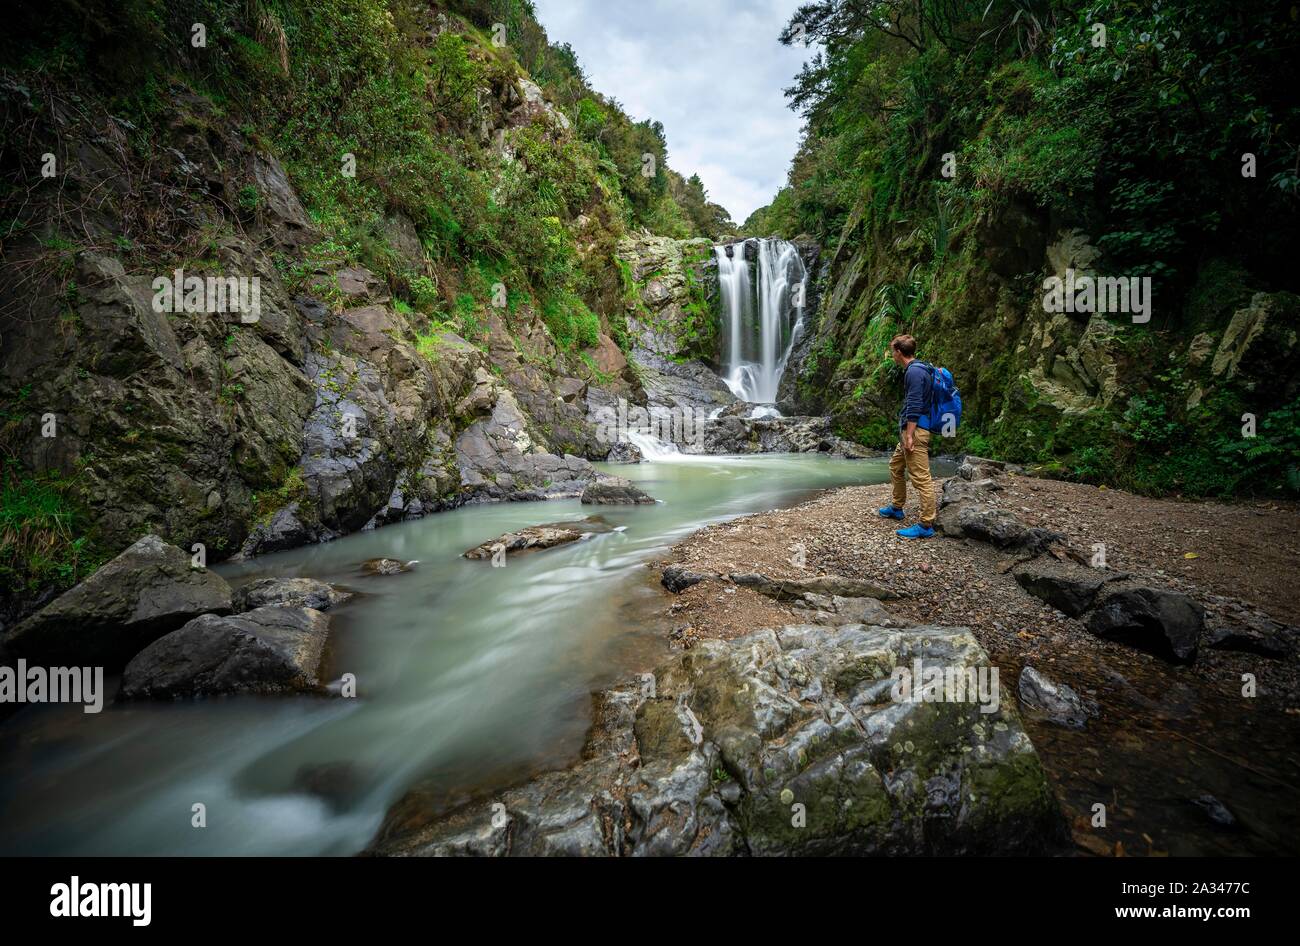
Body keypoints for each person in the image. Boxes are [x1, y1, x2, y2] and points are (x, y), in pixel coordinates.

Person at [877, 334, 935, 538]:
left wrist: (909, 435)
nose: (892, 355)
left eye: (893, 351)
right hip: (910, 431)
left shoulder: (914, 373)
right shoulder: (919, 368)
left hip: (916, 431)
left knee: (921, 477)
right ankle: (896, 506)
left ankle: (926, 525)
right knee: (895, 466)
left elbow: (915, 405)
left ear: (899, 352)